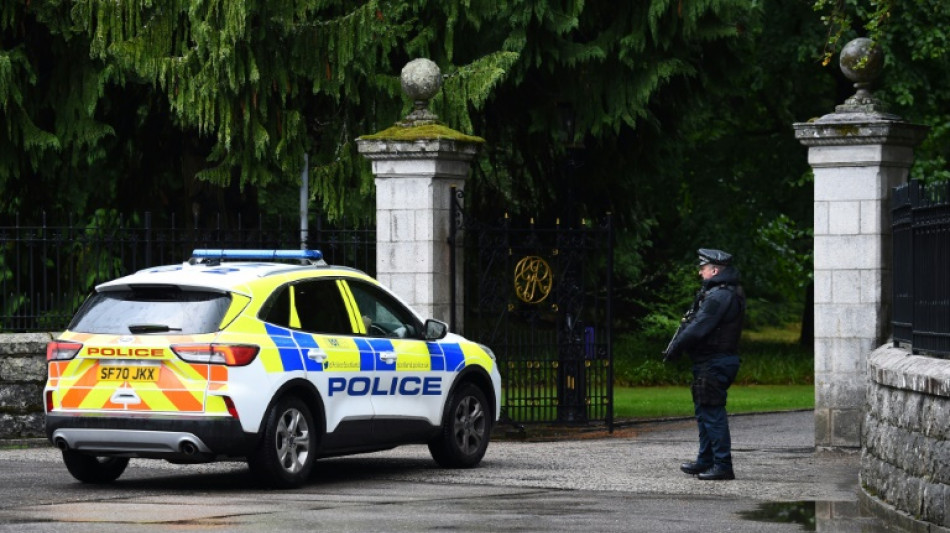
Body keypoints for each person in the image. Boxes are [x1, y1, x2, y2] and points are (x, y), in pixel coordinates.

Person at [662, 248, 745, 481]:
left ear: (715, 270)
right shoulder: (724, 292)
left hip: (714, 361)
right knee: (705, 411)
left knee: (711, 412)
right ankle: (706, 460)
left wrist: (675, 349)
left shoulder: (719, 296)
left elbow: (698, 327)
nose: (700, 273)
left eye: (704, 268)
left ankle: (722, 464)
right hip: (712, 361)